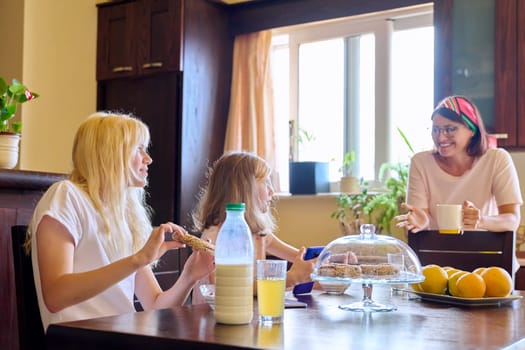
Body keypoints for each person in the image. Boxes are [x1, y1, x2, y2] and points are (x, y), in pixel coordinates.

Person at [26, 112, 214, 331]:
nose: (148, 159)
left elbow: (154, 304)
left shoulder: (123, 217)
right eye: (139, 148)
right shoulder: (67, 196)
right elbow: (55, 296)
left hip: (122, 338)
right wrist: (138, 259)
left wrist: (189, 276)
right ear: (111, 153)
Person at [190, 151, 315, 303]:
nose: (272, 191)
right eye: (265, 182)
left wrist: (335, 259)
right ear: (245, 189)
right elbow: (224, 288)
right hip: (211, 320)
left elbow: (302, 258)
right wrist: (290, 278)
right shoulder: (216, 237)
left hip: (246, 317)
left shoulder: (259, 234)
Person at [395, 95, 522, 233]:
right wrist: (424, 223)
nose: (441, 137)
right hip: (439, 253)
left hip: (487, 253)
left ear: (472, 130)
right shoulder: (420, 163)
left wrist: (481, 220)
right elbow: (422, 218)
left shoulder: (497, 159)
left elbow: (512, 220)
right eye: (436, 129)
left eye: (450, 129)